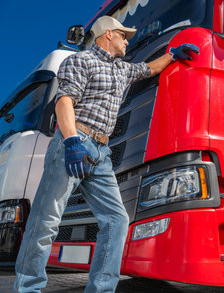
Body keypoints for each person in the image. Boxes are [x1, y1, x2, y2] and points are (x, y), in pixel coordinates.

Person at [14, 15, 199, 292]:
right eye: (124, 36)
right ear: (109, 34)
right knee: (47, 219)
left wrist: (172, 55)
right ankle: (28, 288)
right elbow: (64, 102)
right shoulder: (81, 61)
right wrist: (71, 142)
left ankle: (101, 289)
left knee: (116, 219)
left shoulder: (121, 70)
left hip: (101, 152)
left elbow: (148, 69)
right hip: (74, 142)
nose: (127, 41)